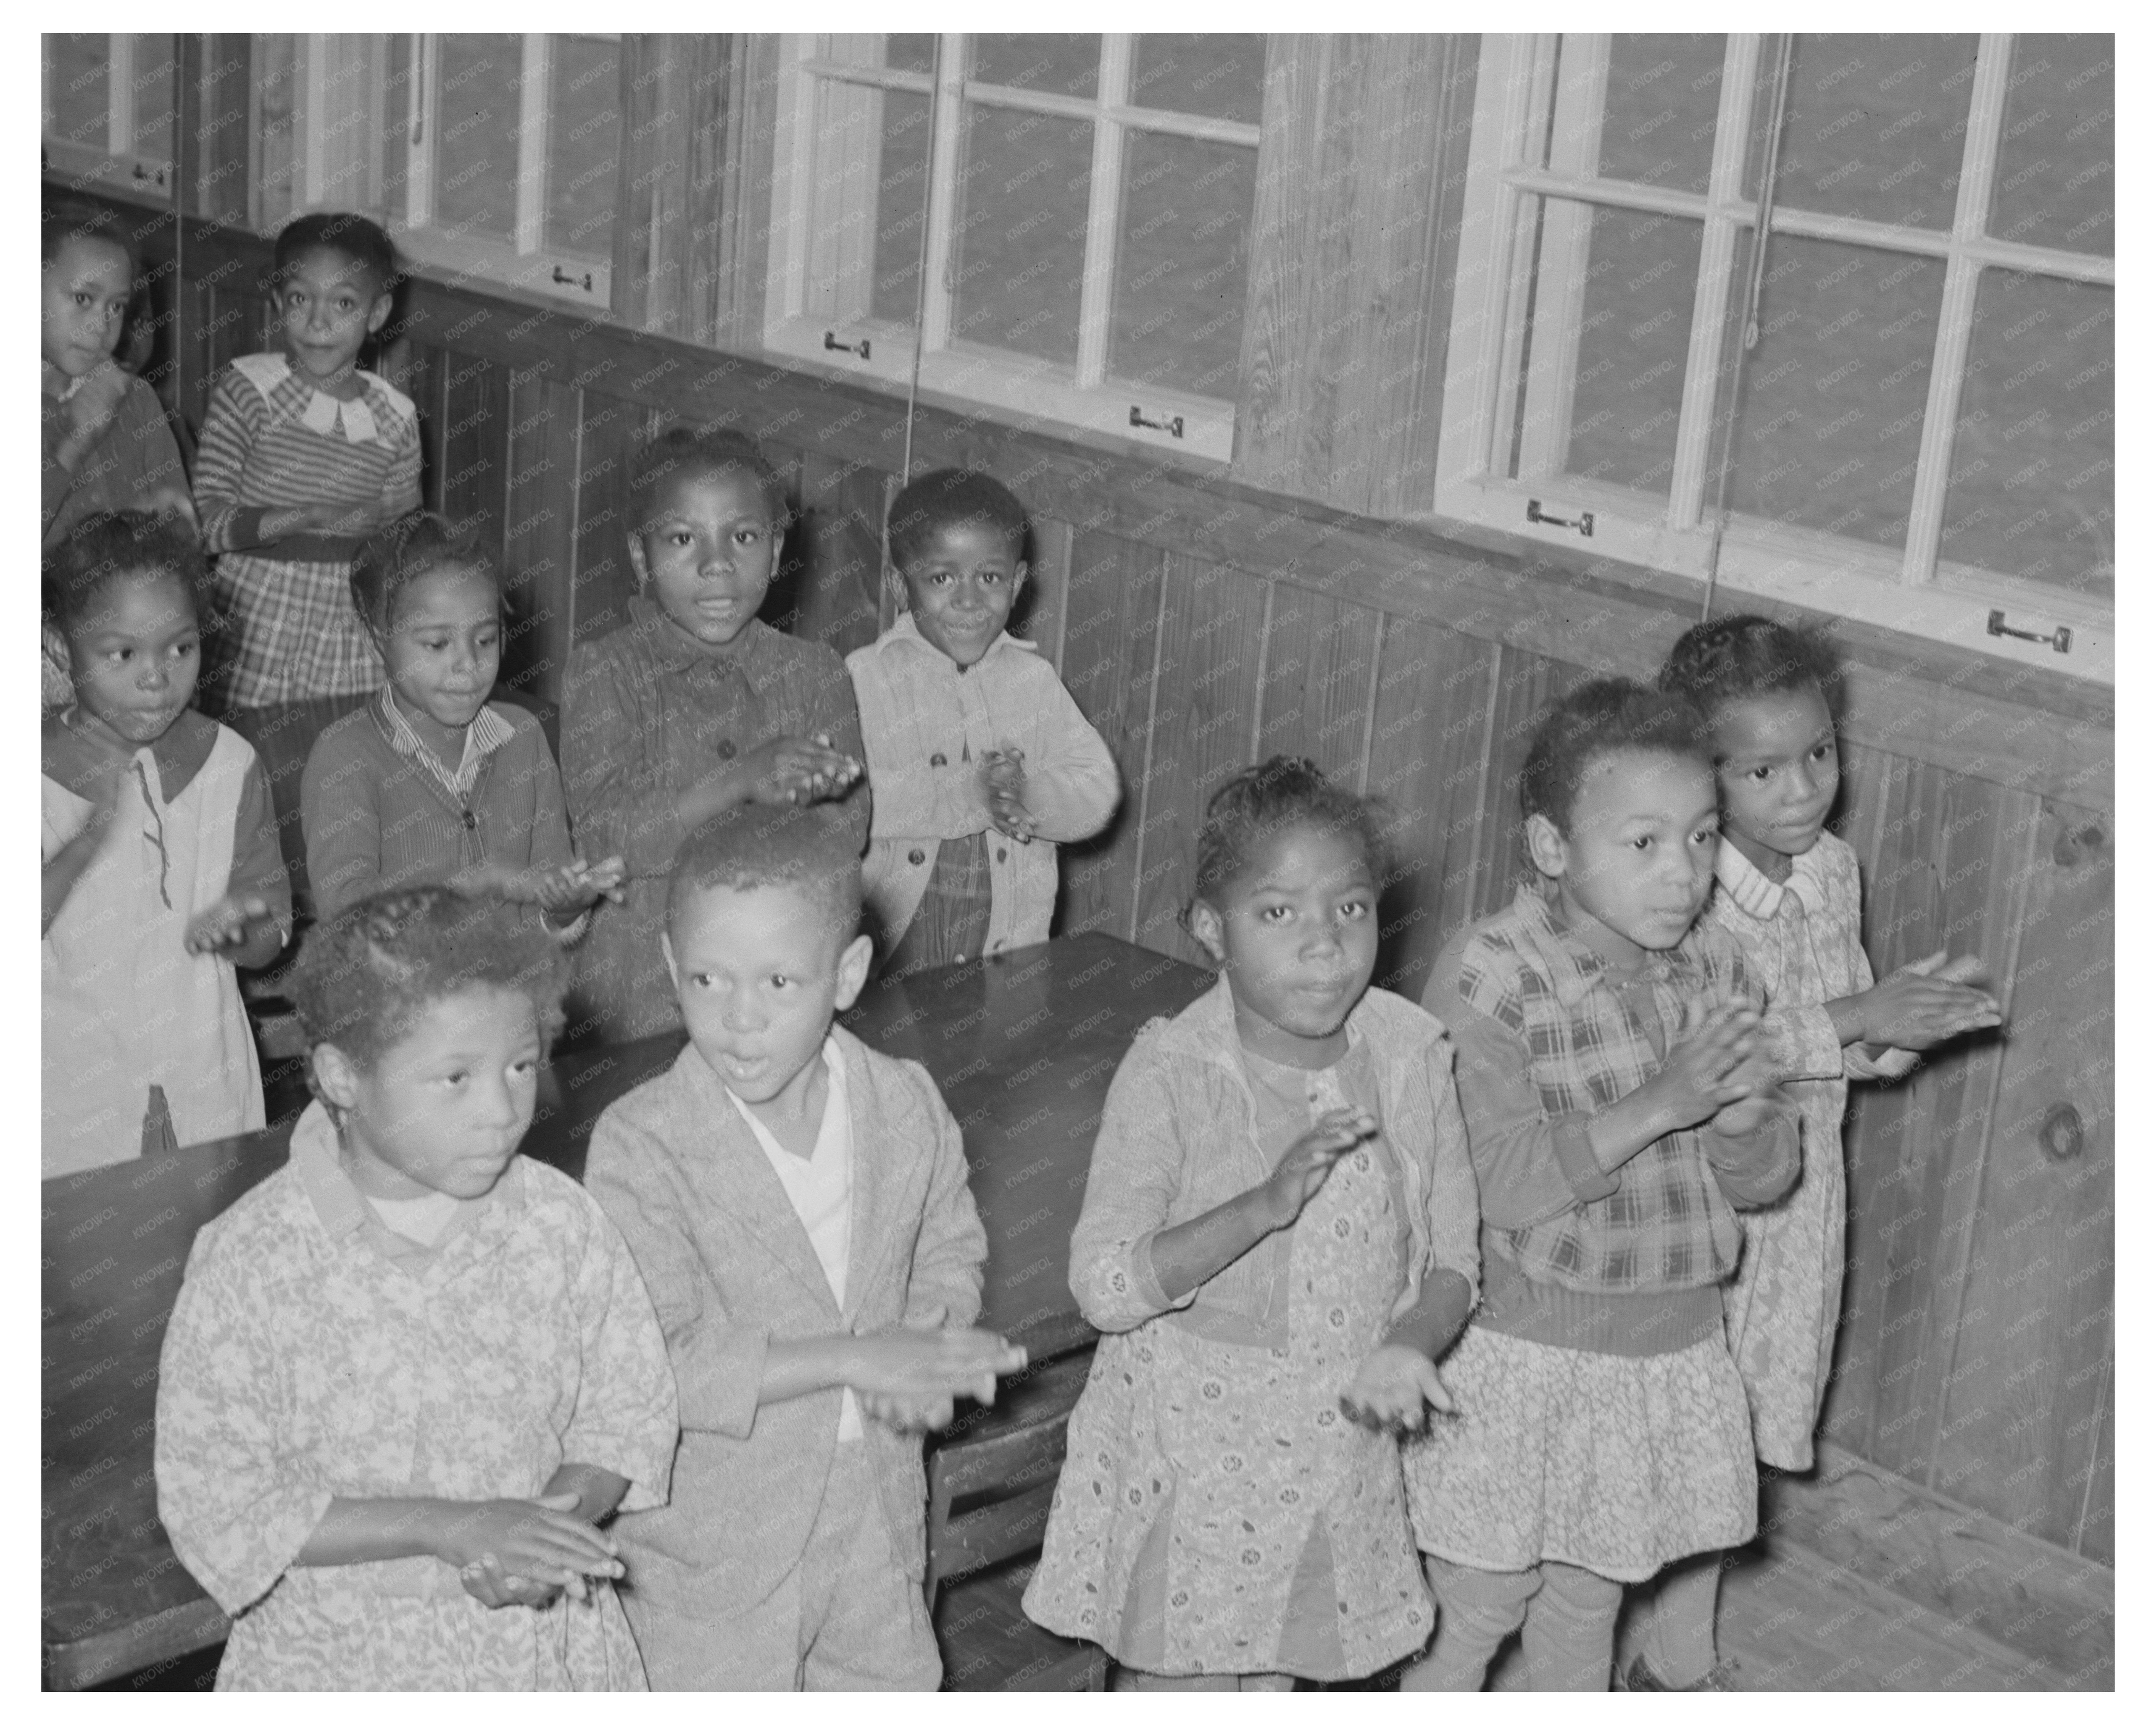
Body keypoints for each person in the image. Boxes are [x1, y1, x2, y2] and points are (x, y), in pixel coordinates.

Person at [1024, 756, 1482, 1689]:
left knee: (1286, 1672)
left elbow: (1454, 1257)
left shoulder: (1406, 1053)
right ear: (1211, 929)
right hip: (1194, 1456)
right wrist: (1261, 1207)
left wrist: (1409, 1342)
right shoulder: (1171, 1069)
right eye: (1278, 912)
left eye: (1349, 908)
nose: (1324, 945)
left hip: (1332, 1452)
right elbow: (1104, 1286)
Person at [155, 887, 679, 1690]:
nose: (505, 1110)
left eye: (521, 1065)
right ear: (342, 1076)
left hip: (540, 1667)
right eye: (455, 1079)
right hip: (339, 1665)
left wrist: (545, 1530)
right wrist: (452, 1528)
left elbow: (623, 1417)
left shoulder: (557, 1223)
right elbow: (218, 1496)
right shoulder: (253, 1263)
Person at [1620, 616, 2002, 1690]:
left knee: (1733, 1438)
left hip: (1798, 1209)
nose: (1803, 791)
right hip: (1698, 1204)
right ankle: (1604, 1649)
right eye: (1762, 770)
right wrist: (1853, 1015)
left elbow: (1842, 1048)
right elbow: (1717, 1059)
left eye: (1820, 755)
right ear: (1701, 774)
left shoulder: (1830, 871)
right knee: (1667, 1434)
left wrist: (1898, 1025)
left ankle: (1672, 1655)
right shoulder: (1677, 900)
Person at [1398, 679, 1799, 1693]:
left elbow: (1760, 1181)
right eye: (1643, 844)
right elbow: (1489, 1183)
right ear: (1548, 848)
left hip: (1662, 1350)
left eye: (1703, 839)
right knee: (1481, 1601)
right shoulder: (1490, 976)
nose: (1683, 875)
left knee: (1589, 1599)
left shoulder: (1718, 971)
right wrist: (1663, 1101)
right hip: (1524, 1351)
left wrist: (1745, 1124)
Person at [583, 802, 1026, 1689]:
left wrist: (929, 1340)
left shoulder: (901, 1101)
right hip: (711, 1560)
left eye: (779, 983)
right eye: (707, 980)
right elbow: (653, 1368)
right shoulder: (642, 1143)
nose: (739, 1018)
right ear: (670, 964)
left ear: (849, 972)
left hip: (876, 1523)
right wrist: (865, 1356)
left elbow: (949, 1237)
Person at [561, 425, 866, 1042]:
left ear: (777, 552)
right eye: (682, 539)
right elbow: (607, 834)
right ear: (641, 557)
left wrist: (810, 799)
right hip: (638, 998)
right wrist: (742, 784)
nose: (717, 564)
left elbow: (848, 829)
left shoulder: (815, 674)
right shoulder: (605, 671)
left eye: (745, 537)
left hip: (774, 989)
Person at [42, 511, 289, 1176]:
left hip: (204, 1068)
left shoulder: (231, 764)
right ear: (63, 653)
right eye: (122, 654)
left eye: (181, 648)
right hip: (68, 1090)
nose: (157, 676)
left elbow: (270, 924)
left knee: (204, 1235)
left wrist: (244, 929)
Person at [846, 468, 1118, 973]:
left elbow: (1097, 792)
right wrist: (971, 796)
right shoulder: (865, 680)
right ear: (900, 586)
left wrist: (1025, 797)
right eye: (942, 578)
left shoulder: (1034, 682)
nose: (969, 601)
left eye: (989, 578)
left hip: (1006, 962)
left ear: (1016, 585)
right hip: (888, 959)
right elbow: (850, 806)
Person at [302, 511, 624, 930]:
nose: (468, 665)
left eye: (486, 639)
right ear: (375, 640)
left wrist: (567, 905)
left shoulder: (523, 737)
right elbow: (346, 914)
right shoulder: (344, 755)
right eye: (438, 643)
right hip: (400, 995)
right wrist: (476, 881)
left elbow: (546, 899)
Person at [193, 211, 421, 710]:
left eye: (343, 303)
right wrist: (308, 516)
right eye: (300, 298)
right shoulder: (249, 391)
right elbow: (207, 524)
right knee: (243, 751)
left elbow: (403, 537)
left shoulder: (396, 418)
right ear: (278, 303)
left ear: (377, 312)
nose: (319, 321)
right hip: (252, 616)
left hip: (351, 626)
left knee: (336, 752)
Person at [41, 195, 193, 707]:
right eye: (83, 299)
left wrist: (163, 521)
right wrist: (74, 442)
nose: (102, 322)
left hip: (135, 631)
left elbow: (182, 525)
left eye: (116, 307)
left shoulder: (137, 397)